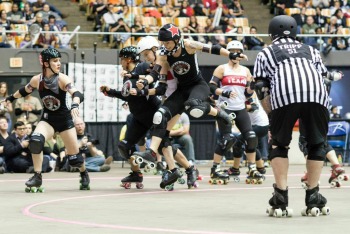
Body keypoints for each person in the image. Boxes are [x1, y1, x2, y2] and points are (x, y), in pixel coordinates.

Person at [132, 24, 236, 187]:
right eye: (162, 44)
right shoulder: (163, 54)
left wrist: (231, 55)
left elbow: (213, 48)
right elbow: (156, 76)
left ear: (176, 39)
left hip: (197, 86)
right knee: (160, 117)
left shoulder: (188, 44)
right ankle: (154, 155)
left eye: (167, 43)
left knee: (193, 107)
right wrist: (144, 82)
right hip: (178, 92)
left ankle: (220, 114)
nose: (164, 46)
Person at [253, 15, 330, 216]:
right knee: (317, 144)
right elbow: (325, 80)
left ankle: (281, 196)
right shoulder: (311, 50)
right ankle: (313, 195)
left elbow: (261, 87)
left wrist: (271, 114)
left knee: (279, 144)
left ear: (271, 33)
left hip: (285, 95)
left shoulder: (266, 51)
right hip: (317, 95)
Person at [101, 45, 199, 189]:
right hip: (138, 117)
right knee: (124, 146)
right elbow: (127, 95)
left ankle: (190, 169)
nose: (121, 62)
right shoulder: (128, 75)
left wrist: (150, 73)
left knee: (164, 146)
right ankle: (136, 173)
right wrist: (110, 92)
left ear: (128, 59)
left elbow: (154, 77)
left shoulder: (142, 67)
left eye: (122, 59)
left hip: (153, 114)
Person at [2, 48, 90, 191]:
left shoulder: (62, 78)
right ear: (46, 63)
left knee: (75, 159)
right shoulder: (37, 80)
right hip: (48, 119)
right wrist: (10, 98)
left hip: (65, 121)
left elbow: (77, 93)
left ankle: (84, 173)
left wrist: (75, 103)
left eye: (59, 61)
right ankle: (37, 176)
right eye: (55, 61)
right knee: (35, 140)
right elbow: (25, 90)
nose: (59, 63)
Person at [209, 40, 263, 184]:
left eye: (238, 51)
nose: (236, 53)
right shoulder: (222, 68)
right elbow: (211, 87)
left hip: (240, 108)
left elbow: (248, 93)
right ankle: (215, 168)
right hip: (224, 108)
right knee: (227, 139)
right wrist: (224, 92)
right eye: (232, 50)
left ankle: (252, 168)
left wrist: (253, 86)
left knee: (251, 136)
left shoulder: (245, 71)